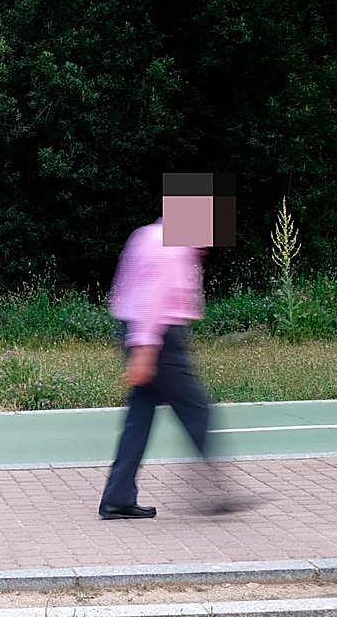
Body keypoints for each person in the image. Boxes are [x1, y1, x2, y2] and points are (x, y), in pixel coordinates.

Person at [98, 217, 222, 520]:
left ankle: (118, 497)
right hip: (159, 338)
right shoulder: (171, 249)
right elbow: (149, 299)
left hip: (138, 331)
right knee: (198, 410)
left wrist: (137, 341)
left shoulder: (145, 235)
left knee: (139, 417)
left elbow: (125, 289)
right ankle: (214, 493)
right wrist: (145, 348)